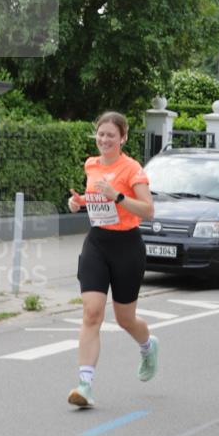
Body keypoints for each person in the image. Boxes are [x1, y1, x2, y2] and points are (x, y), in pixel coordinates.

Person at [66, 111, 158, 407]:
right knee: (92, 313)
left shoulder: (132, 169)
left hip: (127, 246)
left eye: (111, 135)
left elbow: (147, 210)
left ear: (123, 138)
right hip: (97, 242)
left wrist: (117, 195)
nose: (104, 140)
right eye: (101, 134)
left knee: (125, 318)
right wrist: (79, 201)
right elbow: (95, 198)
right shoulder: (91, 164)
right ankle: (85, 384)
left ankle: (147, 346)